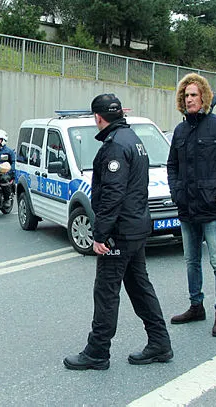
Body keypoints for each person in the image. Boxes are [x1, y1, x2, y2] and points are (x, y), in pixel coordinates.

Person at [63, 94, 172, 370]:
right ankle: (160, 342)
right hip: (136, 227)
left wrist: (100, 235)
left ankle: (98, 351)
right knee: (139, 287)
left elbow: (112, 194)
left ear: (97, 118)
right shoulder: (133, 139)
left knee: (106, 291)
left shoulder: (114, 146)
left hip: (121, 232)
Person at [166, 74, 216, 337]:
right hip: (187, 209)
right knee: (191, 262)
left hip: (212, 209)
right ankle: (195, 306)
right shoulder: (180, 130)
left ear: (205, 97)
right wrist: (176, 192)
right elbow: (172, 165)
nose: (189, 99)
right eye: (186, 95)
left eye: (194, 95)